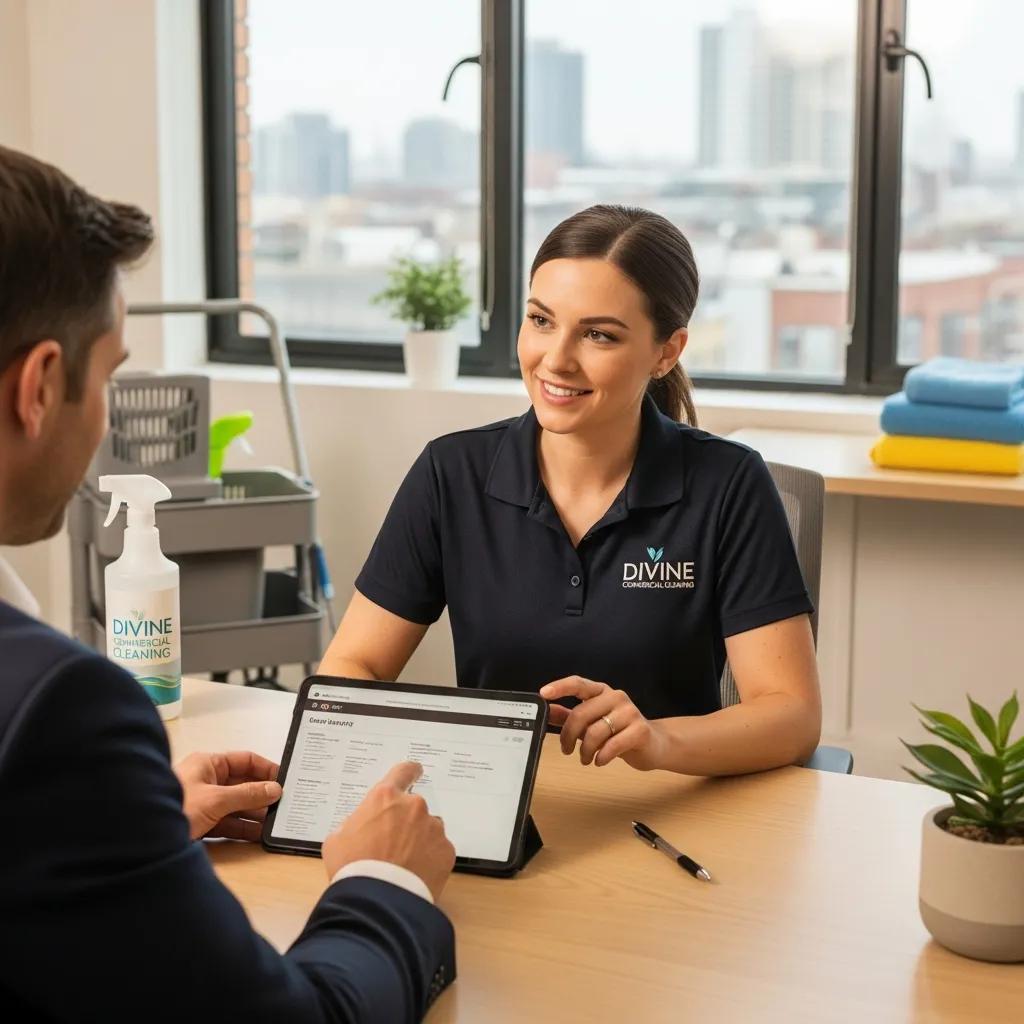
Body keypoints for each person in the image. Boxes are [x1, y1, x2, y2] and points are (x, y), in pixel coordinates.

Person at [0, 144, 455, 1023]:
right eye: (111, 375)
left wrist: (132, 824)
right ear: (40, 385)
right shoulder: (59, 712)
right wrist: (384, 876)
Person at [321, 204, 822, 777]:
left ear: (666, 352)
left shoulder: (728, 485)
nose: (555, 360)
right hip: (495, 801)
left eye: (599, 335)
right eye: (540, 321)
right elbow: (351, 667)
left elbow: (793, 715)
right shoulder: (450, 472)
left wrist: (655, 742)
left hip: (667, 810)